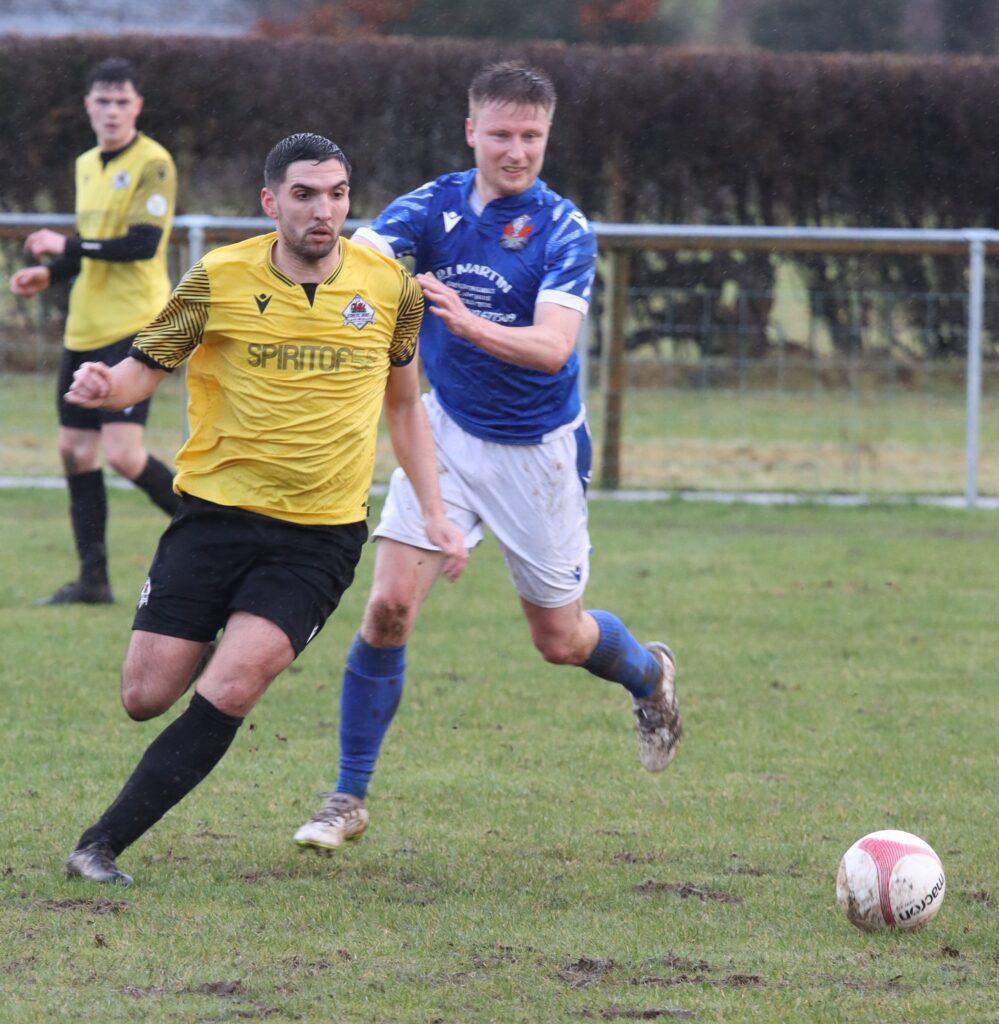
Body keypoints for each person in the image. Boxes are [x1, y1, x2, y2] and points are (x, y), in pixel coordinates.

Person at [293, 62, 682, 855]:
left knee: (558, 640)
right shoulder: (429, 207)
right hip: (445, 431)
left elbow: (551, 348)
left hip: (536, 455)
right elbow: (354, 263)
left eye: (530, 136)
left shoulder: (562, 228)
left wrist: (464, 324)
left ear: (547, 136)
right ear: (471, 131)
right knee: (388, 606)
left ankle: (647, 676)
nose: (515, 150)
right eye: (500, 134)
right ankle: (347, 796)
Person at [61, 132, 466, 886]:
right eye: (307, 194)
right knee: (145, 696)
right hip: (215, 516)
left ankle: (99, 845)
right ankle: (228, 635)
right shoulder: (217, 278)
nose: (325, 210)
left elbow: (406, 408)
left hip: (318, 534)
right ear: (270, 200)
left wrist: (435, 513)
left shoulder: (392, 288)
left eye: (338, 193)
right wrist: (101, 387)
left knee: (233, 686)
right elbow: (141, 375)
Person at [9, 57, 180, 606]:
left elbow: (141, 245)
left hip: (134, 326)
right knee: (74, 451)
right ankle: (94, 580)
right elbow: (91, 240)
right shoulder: (87, 164)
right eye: (102, 101)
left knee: (124, 455)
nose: (111, 111)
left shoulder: (154, 163)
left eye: (121, 101)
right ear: (88, 106)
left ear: (137, 107)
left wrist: (66, 248)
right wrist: (52, 272)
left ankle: (216, 533)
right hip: (85, 326)